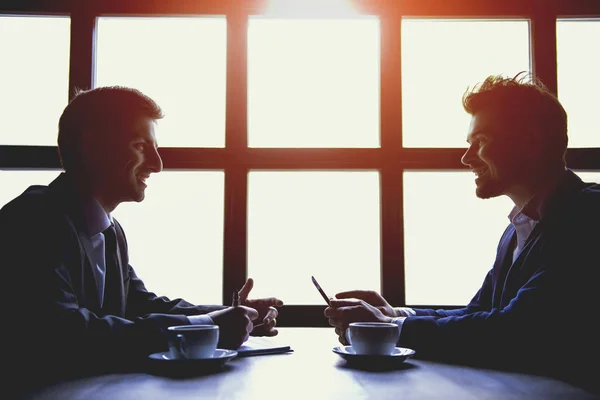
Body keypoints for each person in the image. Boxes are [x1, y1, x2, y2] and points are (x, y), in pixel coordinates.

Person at [325, 73, 600, 387]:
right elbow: (479, 312)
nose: (467, 158)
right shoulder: (517, 231)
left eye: (480, 142)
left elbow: (518, 329)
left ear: (530, 143)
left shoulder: (588, 216)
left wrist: (391, 328)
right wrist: (394, 313)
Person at [0, 86, 283, 387]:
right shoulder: (33, 219)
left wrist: (230, 315)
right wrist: (210, 326)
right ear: (93, 147)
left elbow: (141, 305)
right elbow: (64, 333)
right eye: (140, 146)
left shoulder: (110, 232)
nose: (157, 164)